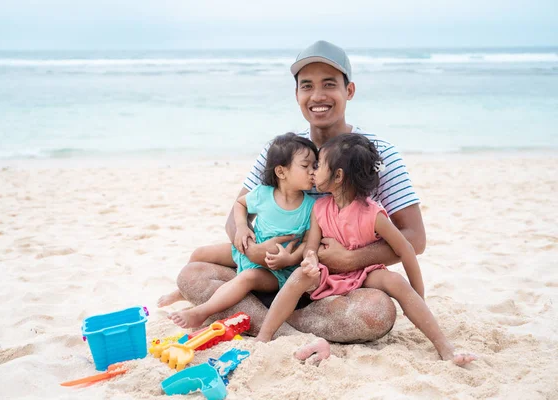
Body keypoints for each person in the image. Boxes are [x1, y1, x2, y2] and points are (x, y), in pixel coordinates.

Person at [169, 40, 427, 344]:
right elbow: (236, 214)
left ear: (350, 91)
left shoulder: (379, 154)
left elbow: (414, 238)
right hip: (274, 276)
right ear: (297, 95)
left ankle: (274, 320)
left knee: (377, 311)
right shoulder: (282, 151)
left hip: (339, 287)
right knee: (192, 274)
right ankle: (285, 326)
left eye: (329, 84)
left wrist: (350, 259)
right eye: (307, 86)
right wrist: (252, 249)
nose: (317, 96)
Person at [254, 134, 476, 366]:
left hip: (364, 271)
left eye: (319, 165)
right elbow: (311, 246)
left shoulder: (373, 214)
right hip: (328, 272)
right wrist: (309, 259)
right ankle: (264, 335)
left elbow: (406, 250)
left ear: (338, 176)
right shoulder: (319, 208)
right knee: (301, 275)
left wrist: (418, 295)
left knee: (396, 282)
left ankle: (445, 347)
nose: (314, 171)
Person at [167, 133, 317, 328]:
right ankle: (183, 291)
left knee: (247, 278)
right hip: (248, 250)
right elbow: (240, 204)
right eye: (306, 166)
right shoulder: (263, 194)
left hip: (275, 270)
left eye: (315, 165)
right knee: (200, 253)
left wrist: (289, 260)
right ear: (281, 172)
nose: (313, 171)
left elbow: (307, 242)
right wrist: (242, 227)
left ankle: (201, 312)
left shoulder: (310, 207)